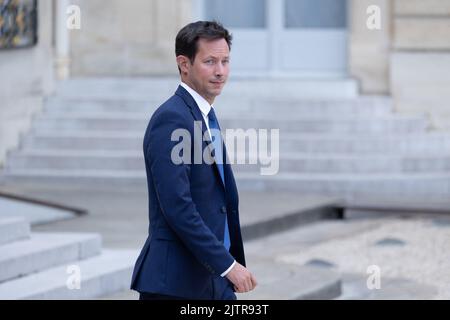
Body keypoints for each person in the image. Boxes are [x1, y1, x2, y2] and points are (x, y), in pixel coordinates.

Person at [130, 21, 257, 300]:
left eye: (225, 61)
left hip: (212, 279)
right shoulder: (172, 118)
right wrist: (228, 266)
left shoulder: (204, 115)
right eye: (210, 61)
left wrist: (224, 265)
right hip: (176, 284)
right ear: (184, 64)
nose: (220, 71)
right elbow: (177, 206)